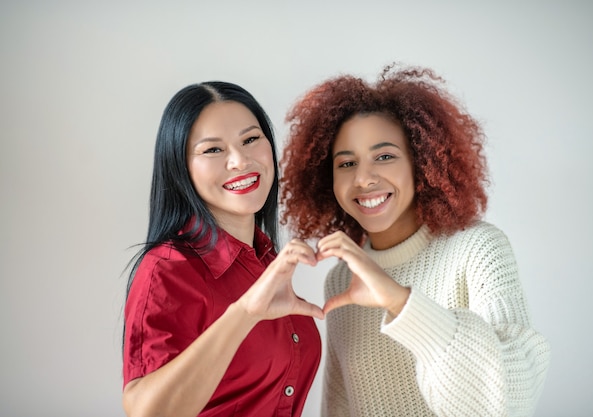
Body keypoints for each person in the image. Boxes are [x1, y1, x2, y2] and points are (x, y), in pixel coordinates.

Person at [280, 65, 551, 416]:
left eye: (385, 156)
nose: (363, 179)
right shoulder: (341, 282)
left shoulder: (478, 250)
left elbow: (511, 399)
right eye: (346, 163)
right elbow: (340, 407)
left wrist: (398, 300)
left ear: (421, 163)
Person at [122, 81, 323, 417]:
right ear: (181, 168)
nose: (239, 161)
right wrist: (244, 314)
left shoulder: (267, 260)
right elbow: (148, 411)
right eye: (213, 150)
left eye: (250, 139)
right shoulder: (168, 268)